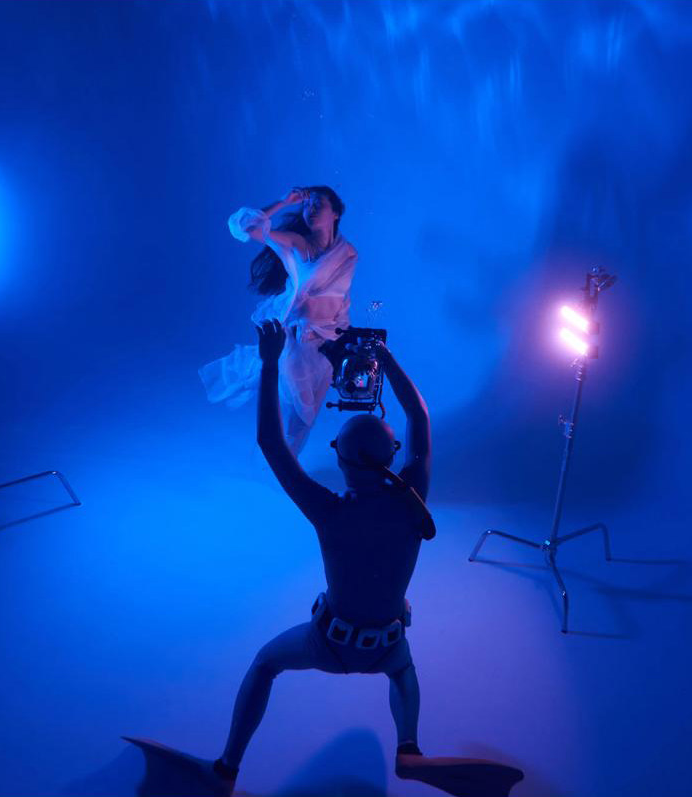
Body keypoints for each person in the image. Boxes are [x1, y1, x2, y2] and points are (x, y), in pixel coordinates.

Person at [126, 321, 523, 797]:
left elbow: (271, 443)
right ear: (393, 454)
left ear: (340, 459)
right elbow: (418, 416)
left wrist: (270, 361)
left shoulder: (328, 510)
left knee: (265, 663)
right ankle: (409, 749)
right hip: (387, 644)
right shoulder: (413, 498)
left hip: (329, 642)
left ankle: (225, 771)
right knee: (402, 671)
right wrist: (385, 358)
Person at [199, 186, 357, 455]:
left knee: (306, 418)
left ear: (336, 213)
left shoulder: (348, 253)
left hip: (327, 343)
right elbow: (248, 228)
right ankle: (273, 459)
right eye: (306, 205)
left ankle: (287, 464)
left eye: (318, 204)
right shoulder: (298, 243)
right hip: (295, 340)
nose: (310, 209)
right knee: (300, 407)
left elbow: (340, 300)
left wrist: (344, 339)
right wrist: (284, 202)